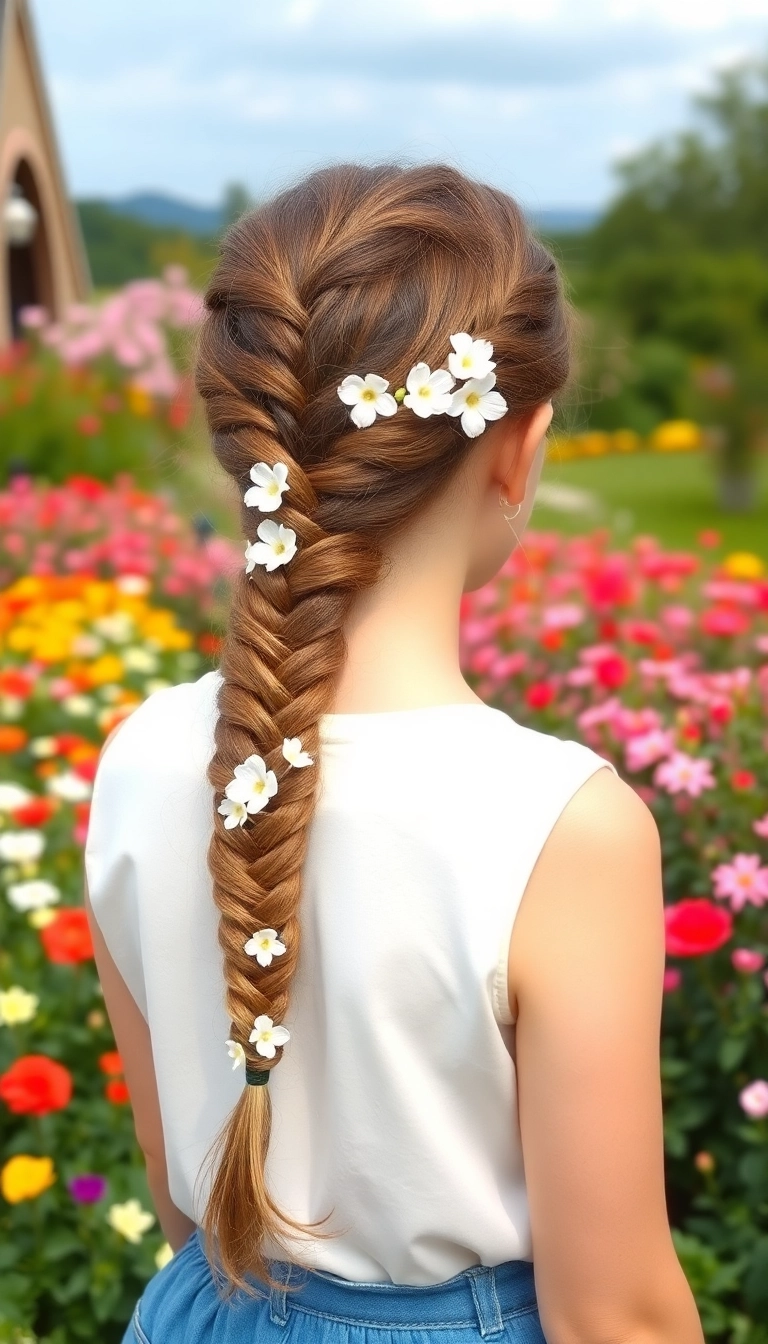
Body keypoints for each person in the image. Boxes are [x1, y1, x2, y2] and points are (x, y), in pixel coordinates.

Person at [84, 162, 705, 1344]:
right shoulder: (560, 824)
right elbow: (612, 1314)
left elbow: (180, 1188)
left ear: (247, 439)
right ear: (519, 452)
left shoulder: (139, 754)